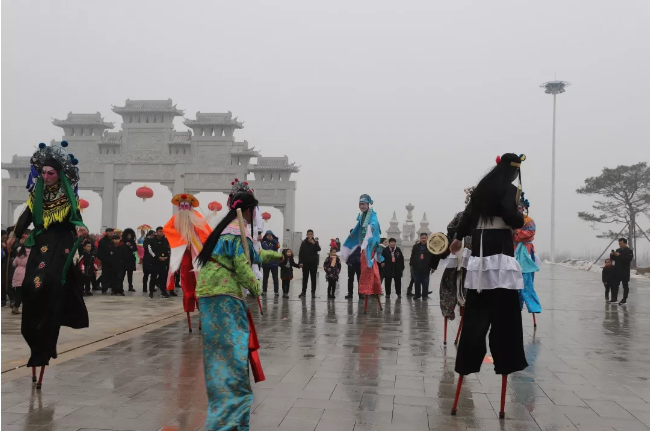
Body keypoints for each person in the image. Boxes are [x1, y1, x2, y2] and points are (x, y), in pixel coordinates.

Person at [195, 191, 282, 430]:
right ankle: (226, 421)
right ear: (248, 210)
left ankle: (231, 419)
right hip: (222, 296)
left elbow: (255, 254)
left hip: (212, 294)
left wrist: (280, 256)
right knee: (231, 359)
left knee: (225, 356)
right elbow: (243, 265)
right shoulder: (235, 231)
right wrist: (256, 288)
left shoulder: (231, 230)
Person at [7, 141, 89, 384]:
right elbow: (26, 216)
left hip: (61, 243)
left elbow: (76, 219)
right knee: (33, 287)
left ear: (60, 174)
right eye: (42, 173)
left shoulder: (68, 196)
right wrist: (13, 235)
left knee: (54, 282)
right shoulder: (37, 195)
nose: (46, 176)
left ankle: (51, 331)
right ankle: (36, 345)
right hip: (41, 243)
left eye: (50, 173)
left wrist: (81, 228)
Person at [449, 153, 528, 399]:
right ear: (513, 171)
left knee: (474, 318)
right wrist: (520, 217)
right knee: (507, 321)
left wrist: (458, 238)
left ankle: (465, 365)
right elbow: (511, 218)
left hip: (479, 263)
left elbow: (467, 216)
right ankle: (507, 363)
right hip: (501, 260)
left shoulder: (482, 188)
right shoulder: (509, 189)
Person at [163, 194, 212, 311]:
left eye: (186, 205)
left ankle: (201, 301)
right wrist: (182, 238)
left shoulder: (197, 216)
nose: (184, 208)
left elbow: (206, 232)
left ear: (191, 207)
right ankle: (188, 302)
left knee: (199, 273)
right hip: (183, 249)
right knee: (185, 274)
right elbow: (166, 229)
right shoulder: (175, 218)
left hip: (196, 249)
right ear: (178, 207)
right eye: (182, 206)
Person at [438, 188, 474, 320]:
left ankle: (458, 307)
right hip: (462, 250)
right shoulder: (463, 215)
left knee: (454, 279)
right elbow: (450, 228)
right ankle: (451, 307)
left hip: (472, 251)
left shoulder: (463, 215)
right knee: (451, 278)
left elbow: (450, 227)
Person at [341, 194, 384, 300]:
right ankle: (366, 288)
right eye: (360, 204)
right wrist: (353, 234)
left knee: (370, 264)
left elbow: (374, 223)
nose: (362, 206)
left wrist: (371, 227)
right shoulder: (362, 216)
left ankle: (372, 287)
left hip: (370, 242)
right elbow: (358, 227)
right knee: (365, 267)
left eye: (363, 204)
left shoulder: (372, 214)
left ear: (368, 204)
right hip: (363, 244)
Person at [513, 192, 541, 315]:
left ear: (524, 208)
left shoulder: (529, 221)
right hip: (511, 252)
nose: (518, 209)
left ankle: (528, 305)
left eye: (520, 207)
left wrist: (515, 233)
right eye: (516, 207)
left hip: (525, 253)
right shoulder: (510, 220)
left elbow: (529, 233)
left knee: (525, 281)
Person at [409, 233, 439, 300]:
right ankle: (417, 295)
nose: (423, 239)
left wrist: (433, 267)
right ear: (420, 238)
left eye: (425, 238)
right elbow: (412, 256)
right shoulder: (415, 246)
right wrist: (411, 265)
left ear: (427, 238)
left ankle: (424, 295)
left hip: (426, 267)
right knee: (417, 281)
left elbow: (434, 257)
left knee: (425, 281)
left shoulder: (430, 247)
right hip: (417, 267)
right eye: (422, 238)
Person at [148, 227, 171, 298]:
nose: (161, 233)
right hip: (155, 262)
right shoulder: (151, 241)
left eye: (162, 232)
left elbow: (170, 249)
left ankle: (163, 292)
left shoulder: (166, 240)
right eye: (160, 231)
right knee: (153, 277)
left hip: (164, 262)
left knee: (163, 277)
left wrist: (167, 257)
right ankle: (151, 291)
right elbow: (150, 250)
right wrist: (158, 257)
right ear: (156, 232)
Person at [610, 238, 634, 305]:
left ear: (625, 243)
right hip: (617, 271)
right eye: (619, 243)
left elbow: (628, 259)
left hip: (625, 271)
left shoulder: (629, 251)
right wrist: (612, 254)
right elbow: (614, 259)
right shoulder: (618, 250)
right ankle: (614, 298)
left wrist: (619, 255)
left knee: (625, 286)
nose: (620, 244)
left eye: (621, 243)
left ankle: (624, 299)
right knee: (615, 285)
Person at [298, 230, 321, 298]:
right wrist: (300, 262)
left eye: (311, 234)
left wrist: (314, 243)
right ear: (307, 235)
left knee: (313, 279)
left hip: (313, 263)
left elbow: (319, 249)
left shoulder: (315, 242)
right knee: (305, 279)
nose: (310, 235)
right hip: (305, 264)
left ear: (313, 235)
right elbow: (300, 253)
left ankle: (313, 292)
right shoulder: (304, 243)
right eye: (308, 234)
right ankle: (303, 292)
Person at [10, 237, 30, 314]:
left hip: (17, 273)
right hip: (26, 274)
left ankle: (15, 306)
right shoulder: (31, 253)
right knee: (25, 294)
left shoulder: (19, 253)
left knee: (18, 293)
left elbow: (14, 263)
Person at [261, 230, 281, 296]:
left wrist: (272, 240)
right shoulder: (263, 243)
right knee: (265, 278)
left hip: (274, 264)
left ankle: (276, 291)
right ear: (265, 236)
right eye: (268, 235)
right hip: (266, 264)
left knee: (275, 278)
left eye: (270, 235)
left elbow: (278, 246)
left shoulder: (275, 242)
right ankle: (264, 291)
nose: (269, 236)